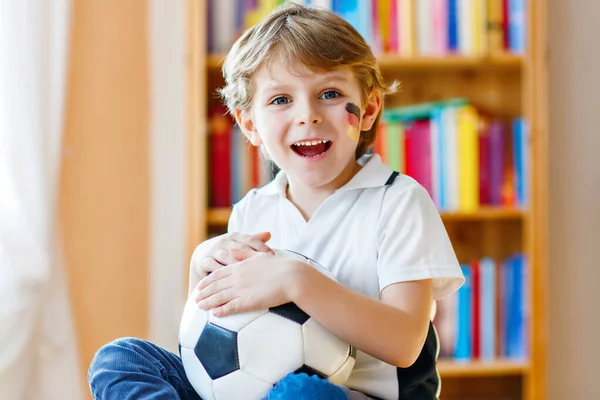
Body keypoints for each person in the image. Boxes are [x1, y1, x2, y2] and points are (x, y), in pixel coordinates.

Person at [88, 3, 464, 400]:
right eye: (281, 99)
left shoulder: (398, 201)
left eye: (330, 94)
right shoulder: (252, 210)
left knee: (301, 394)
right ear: (249, 124)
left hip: (355, 396)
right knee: (120, 360)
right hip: (253, 388)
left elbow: (404, 344)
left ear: (367, 109)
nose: (308, 115)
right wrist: (203, 268)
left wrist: (295, 280)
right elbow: (217, 335)